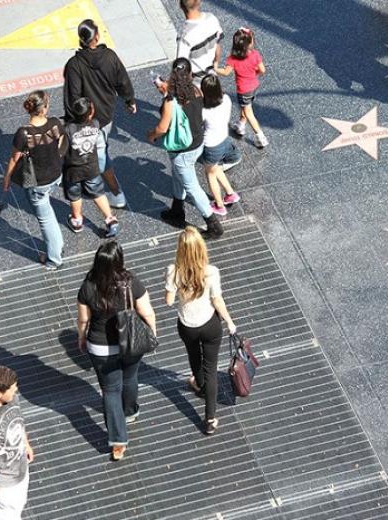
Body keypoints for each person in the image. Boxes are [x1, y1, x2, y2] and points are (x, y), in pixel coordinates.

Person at [77, 241, 157, 461]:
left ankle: (118, 442)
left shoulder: (88, 285)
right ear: (119, 260)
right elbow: (147, 312)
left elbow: (84, 319)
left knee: (110, 390)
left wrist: (82, 337)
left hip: (100, 347)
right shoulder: (131, 282)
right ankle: (129, 411)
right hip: (130, 343)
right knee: (130, 377)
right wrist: (152, 334)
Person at [165, 227, 236, 435]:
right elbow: (217, 300)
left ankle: (200, 385)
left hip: (187, 325)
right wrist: (230, 322)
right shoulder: (211, 272)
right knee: (211, 367)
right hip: (210, 324)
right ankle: (210, 418)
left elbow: (168, 302)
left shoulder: (173, 270)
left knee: (194, 356)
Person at [63, 19, 136, 210]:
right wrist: (129, 100)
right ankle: (108, 189)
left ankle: (115, 192)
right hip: (105, 116)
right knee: (100, 149)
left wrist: (73, 120)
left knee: (100, 155)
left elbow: (73, 95)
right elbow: (122, 81)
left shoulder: (74, 65)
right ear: (96, 36)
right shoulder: (110, 56)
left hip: (84, 119)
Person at [148, 58, 224, 239]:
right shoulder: (197, 90)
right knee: (177, 175)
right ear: (190, 74)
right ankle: (177, 210)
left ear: (173, 75)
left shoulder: (170, 99)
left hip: (182, 150)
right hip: (197, 143)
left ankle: (213, 225)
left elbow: (163, 128)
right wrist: (166, 91)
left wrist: (151, 136)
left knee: (192, 187)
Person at [2, 91, 66, 270]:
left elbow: (14, 159)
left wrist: (7, 178)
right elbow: (61, 143)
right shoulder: (55, 123)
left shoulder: (23, 133)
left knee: (45, 218)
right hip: (55, 175)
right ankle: (58, 245)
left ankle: (54, 259)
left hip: (38, 182)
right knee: (48, 213)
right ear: (44, 108)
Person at [63, 97, 119, 237]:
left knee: (75, 195)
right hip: (91, 168)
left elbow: (62, 150)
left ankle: (77, 221)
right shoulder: (95, 124)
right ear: (90, 114)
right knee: (98, 192)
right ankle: (110, 220)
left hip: (73, 170)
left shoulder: (68, 129)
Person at [0, 366, 34, 520]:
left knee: (17, 511)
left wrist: (26, 443)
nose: (16, 391)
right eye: (13, 390)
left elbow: (17, 420)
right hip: (3, 486)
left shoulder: (10, 398)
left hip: (20, 474)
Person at [214, 28, 268, 147]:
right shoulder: (255, 55)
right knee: (246, 106)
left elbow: (226, 72)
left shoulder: (233, 58)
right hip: (254, 86)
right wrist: (255, 74)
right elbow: (263, 70)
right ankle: (240, 126)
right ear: (250, 43)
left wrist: (215, 68)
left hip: (243, 90)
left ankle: (260, 136)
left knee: (248, 112)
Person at [199, 75, 242, 216]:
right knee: (216, 168)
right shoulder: (227, 99)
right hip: (224, 139)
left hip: (211, 145)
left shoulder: (204, 110)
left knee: (210, 173)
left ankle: (219, 205)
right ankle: (230, 194)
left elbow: (198, 125)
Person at [177, 0, 223, 85]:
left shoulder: (185, 36)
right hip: (212, 77)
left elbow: (181, 67)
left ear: (181, 5)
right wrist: (215, 65)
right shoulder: (211, 18)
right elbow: (218, 47)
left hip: (196, 82)